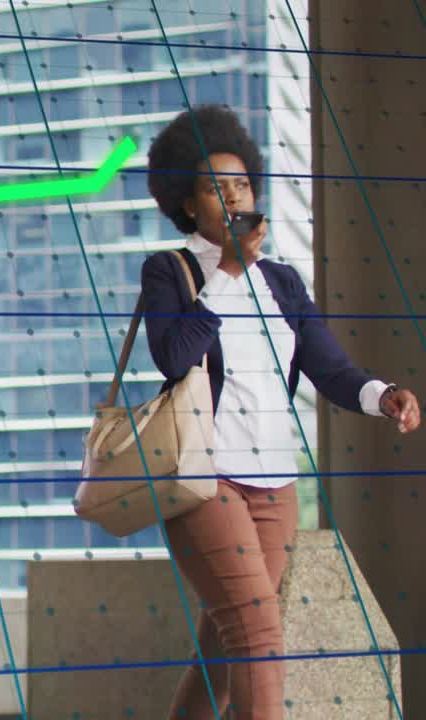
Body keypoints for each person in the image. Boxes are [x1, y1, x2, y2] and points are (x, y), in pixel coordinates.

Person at [140, 104, 421, 719]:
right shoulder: (173, 271)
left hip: (277, 486)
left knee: (225, 646)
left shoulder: (283, 283)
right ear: (189, 205)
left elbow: (331, 368)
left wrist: (384, 395)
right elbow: (174, 356)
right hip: (204, 480)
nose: (234, 196)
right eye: (216, 188)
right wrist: (228, 272)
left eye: (241, 184)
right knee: (260, 635)